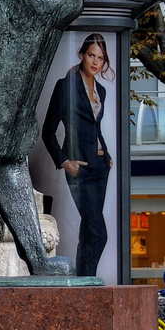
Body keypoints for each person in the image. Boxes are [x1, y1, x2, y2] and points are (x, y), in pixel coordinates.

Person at [42, 33, 114, 277]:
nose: (95, 62)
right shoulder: (66, 86)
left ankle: (85, 282)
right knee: (98, 232)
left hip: (101, 167)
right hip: (80, 168)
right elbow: (48, 131)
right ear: (82, 55)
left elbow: (94, 127)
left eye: (100, 58)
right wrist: (64, 161)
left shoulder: (101, 91)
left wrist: (107, 155)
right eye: (91, 55)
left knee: (88, 231)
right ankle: (89, 279)